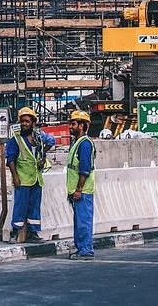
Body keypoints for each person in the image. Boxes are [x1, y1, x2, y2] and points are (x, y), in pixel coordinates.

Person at [6, 106, 55, 243]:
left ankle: (33, 233)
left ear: (33, 123)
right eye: (22, 121)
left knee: (34, 207)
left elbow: (51, 141)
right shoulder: (15, 139)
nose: (24, 124)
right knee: (20, 207)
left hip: (36, 179)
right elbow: (10, 159)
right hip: (23, 179)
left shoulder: (39, 137)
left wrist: (43, 155)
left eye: (27, 121)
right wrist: (15, 177)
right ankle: (14, 232)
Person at [67, 109, 96, 260]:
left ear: (82, 125)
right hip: (77, 190)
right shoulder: (77, 143)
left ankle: (86, 250)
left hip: (82, 191)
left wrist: (78, 189)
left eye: (73, 124)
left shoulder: (84, 144)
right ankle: (81, 248)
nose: (70, 126)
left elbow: (84, 170)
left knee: (83, 222)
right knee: (79, 222)